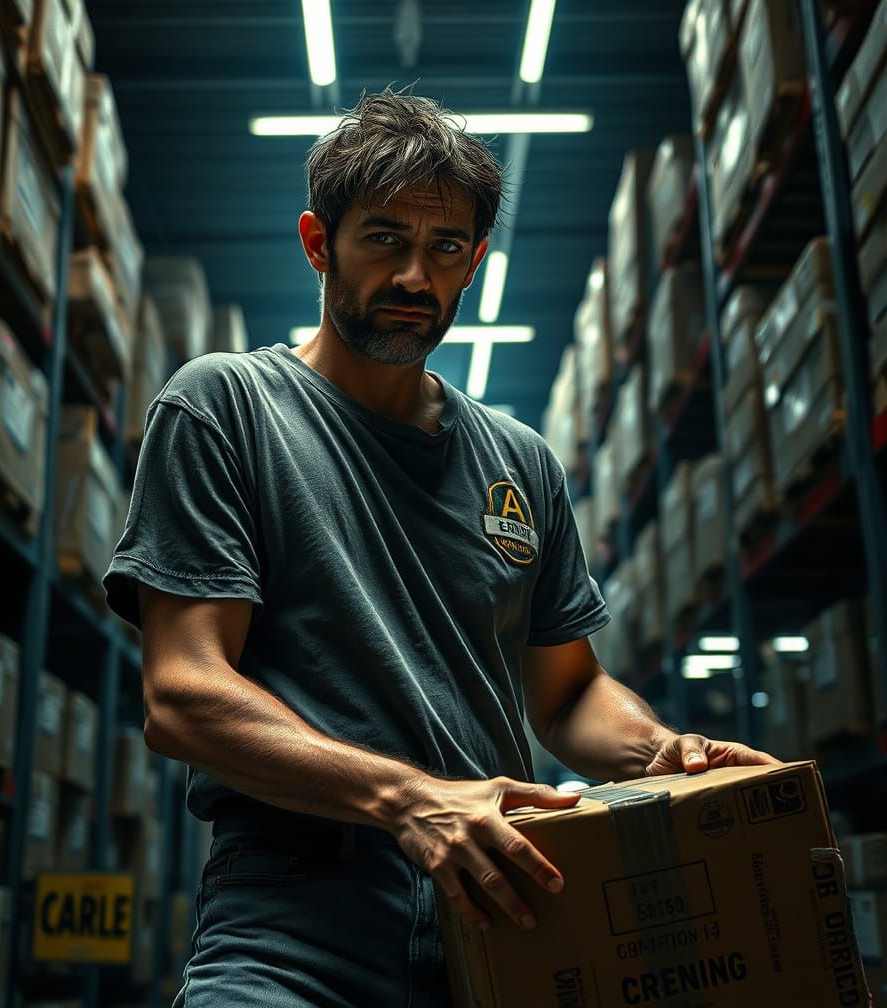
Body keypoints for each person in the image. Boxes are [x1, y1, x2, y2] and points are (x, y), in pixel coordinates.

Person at [103, 88, 777, 1008]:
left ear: (474, 265)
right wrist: (410, 800)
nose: (416, 276)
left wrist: (661, 751)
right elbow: (183, 694)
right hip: (296, 917)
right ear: (317, 243)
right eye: (384, 239)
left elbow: (569, 691)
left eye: (445, 248)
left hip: (503, 908)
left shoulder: (520, 461)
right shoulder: (226, 408)